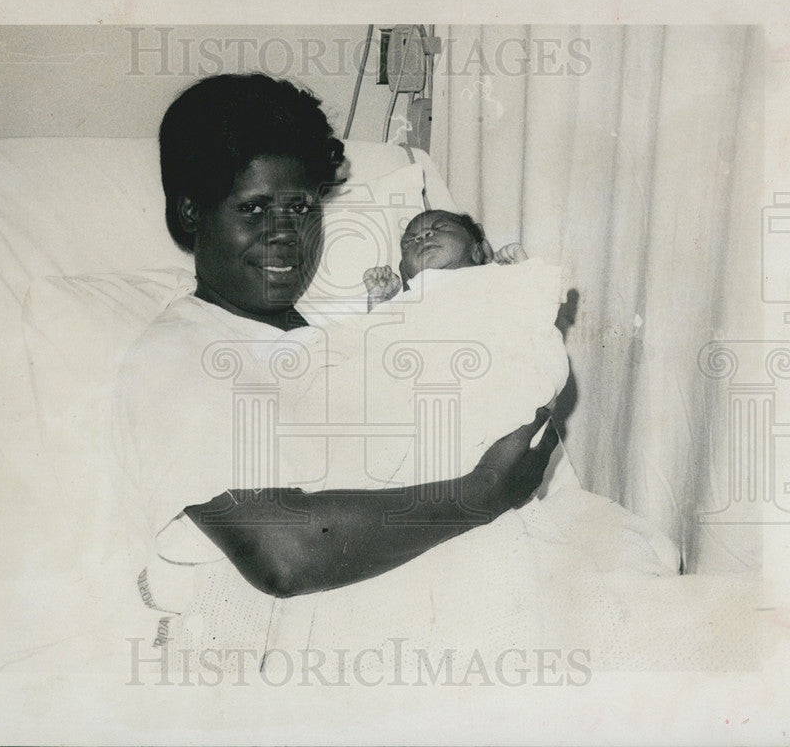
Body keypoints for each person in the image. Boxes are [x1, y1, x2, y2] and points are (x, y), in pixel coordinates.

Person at [112, 73, 560, 671]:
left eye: (300, 207)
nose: (285, 235)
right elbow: (284, 554)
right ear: (191, 212)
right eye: (254, 209)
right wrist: (483, 493)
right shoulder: (180, 353)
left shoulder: (347, 335)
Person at [363, 209, 530, 311]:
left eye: (440, 227)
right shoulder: (407, 301)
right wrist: (380, 298)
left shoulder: (491, 277)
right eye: (409, 241)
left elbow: (536, 313)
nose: (422, 236)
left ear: (477, 251)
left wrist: (523, 272)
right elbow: (378, 342)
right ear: (405, 273)